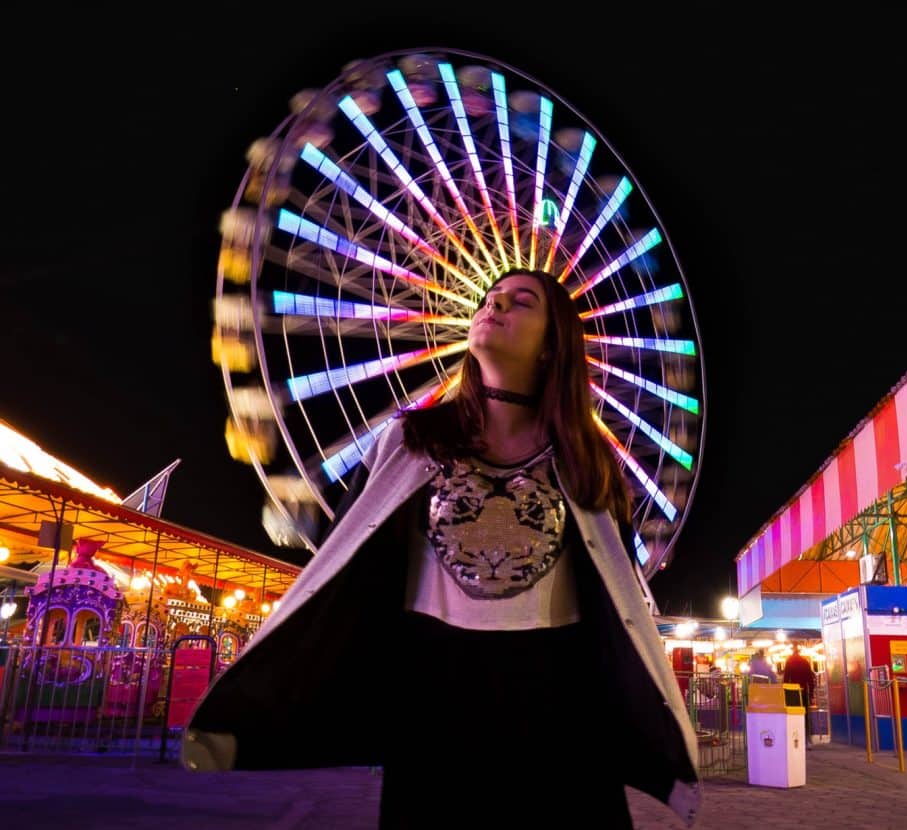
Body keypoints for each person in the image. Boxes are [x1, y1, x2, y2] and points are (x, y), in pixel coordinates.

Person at [182, 268, 702, 829]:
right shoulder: (409, 442)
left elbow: (616, 603)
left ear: (554, 345)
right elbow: (347, 567)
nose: (494, 307)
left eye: (520, 302)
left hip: (555, 698)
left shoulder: (586, 463)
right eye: (491, 299)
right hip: (438, 693)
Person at [782, 646, 817, 742]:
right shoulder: (805, 661)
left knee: (793, 716)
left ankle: (794, 737)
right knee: (804, 715)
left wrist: (784, 692)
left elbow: (785, 679)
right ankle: (806, 739)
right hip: (803, 691)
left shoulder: (789, 662)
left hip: (792, 693)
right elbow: (810, 680)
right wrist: (811, 695)